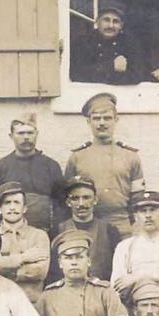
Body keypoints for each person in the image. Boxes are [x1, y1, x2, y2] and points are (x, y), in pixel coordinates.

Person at [65, 93, 145, 239]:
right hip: (89, 225)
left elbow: (138, 197)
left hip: (122, 225)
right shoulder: (77, 157)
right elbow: (68, 197)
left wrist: (137, 227)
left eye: (107, 118)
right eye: (97, 118)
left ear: (116, 120)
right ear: (89, 122)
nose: (102, 123)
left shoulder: (131, 156)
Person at [0, 113, 64, 234]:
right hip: (10, 233)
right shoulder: (0, 167)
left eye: (30, 133)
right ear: (11, 136)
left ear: (37, 134)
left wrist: (55, 232)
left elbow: (61, 204)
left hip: (45, 231)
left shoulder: (51, 166)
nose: (26, 137)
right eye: (21, 133)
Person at [50, 175, 120, 281]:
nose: (81, 204)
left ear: (95, 200)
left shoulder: (110, 230)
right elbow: (53, 272)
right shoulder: (57, 231)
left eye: (86, 197)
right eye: (75, 198)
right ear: (68, 202)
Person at [0, 182, 50, 303]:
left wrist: (4, 268)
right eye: (7, 203)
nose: (12, 207)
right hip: (0, 303)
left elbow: (40, 271)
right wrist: (24, 258)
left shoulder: (39, 236)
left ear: (24, 208)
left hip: (31, 303)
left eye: (16, 202)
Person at [71, 1, 144, 85]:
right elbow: (76, 74)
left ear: (121, 26)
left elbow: (137, 76)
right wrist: (110, 66)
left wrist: (100, 73)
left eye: (115, 21)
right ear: (97, 22)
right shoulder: (83, 42)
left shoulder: (129, 43)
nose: (110, 26)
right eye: (106, 20)